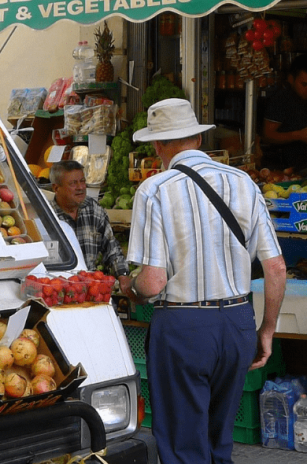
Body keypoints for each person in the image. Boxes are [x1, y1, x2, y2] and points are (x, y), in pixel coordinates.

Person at [120, 98, 286, 464]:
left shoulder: (155, 190)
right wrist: (267, 330)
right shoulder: (244, 183)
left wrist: (128, 287)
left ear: (158, 145)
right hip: (238, 323)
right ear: (196, 139)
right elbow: (275, 268)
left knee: (183, 446)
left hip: (184, 328)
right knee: (218, 441)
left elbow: (151, 283)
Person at [50, 160, 130, 285]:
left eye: (82, 181)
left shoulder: (94, 209)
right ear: (56, 188)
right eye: (73, 183)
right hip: (58, 286)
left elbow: (111, 247)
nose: (81, 187)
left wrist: (123, 276)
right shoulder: (48, 217)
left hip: (90, 286)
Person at [261, 54, 307, 175]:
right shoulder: (281, 99)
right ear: (291, 79)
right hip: (295, 164)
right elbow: (267, 135)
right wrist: (297, 135)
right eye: (305, 84)